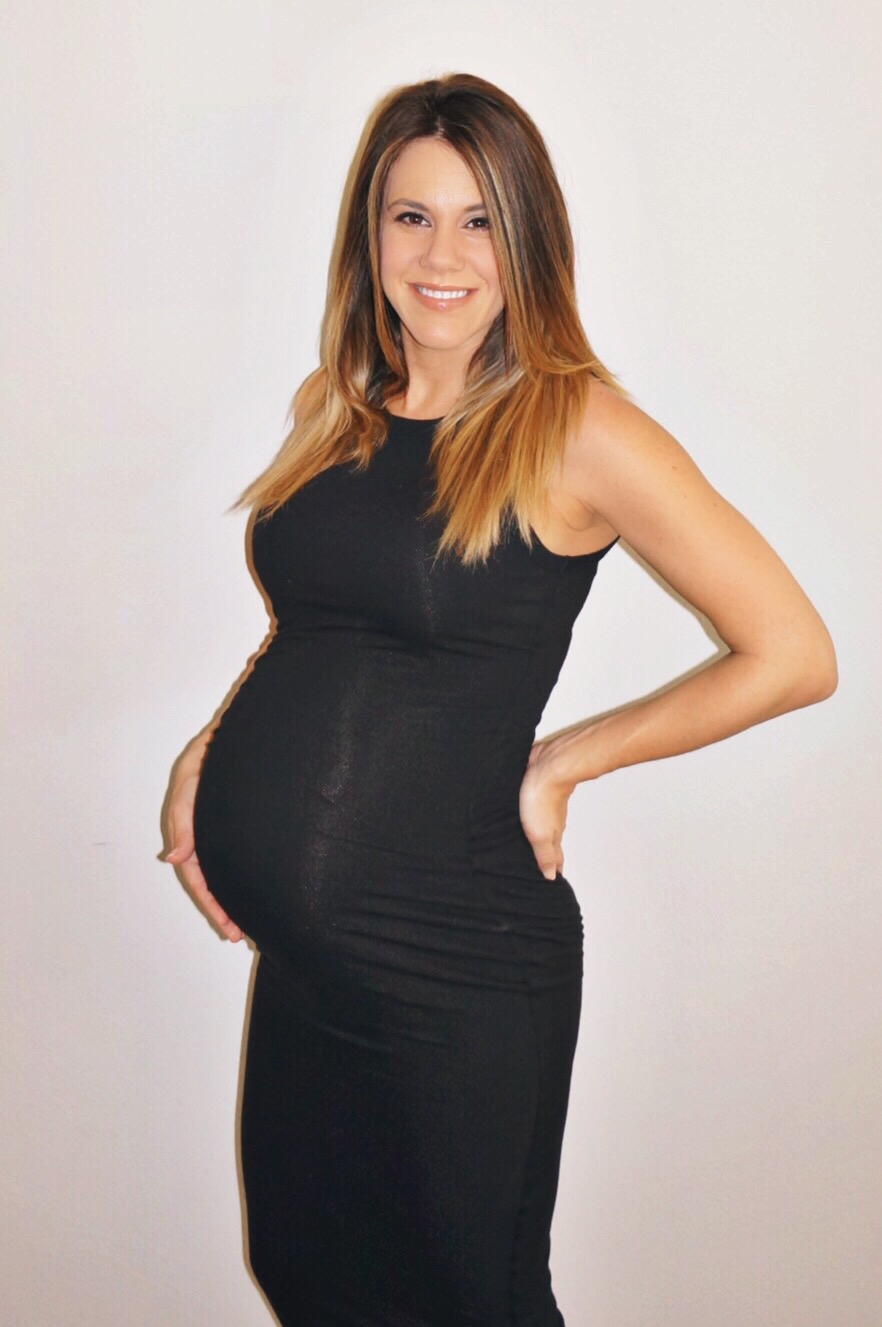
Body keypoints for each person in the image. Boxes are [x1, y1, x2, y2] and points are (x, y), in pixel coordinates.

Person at [162, 72, 837, 1327]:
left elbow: (794, 651)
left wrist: (569, 757)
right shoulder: (339, 412)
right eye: (411, 216)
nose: (442, 255)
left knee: (469, 1302)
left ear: (528, 239)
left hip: (456, 969)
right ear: (370, 235)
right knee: (309, 1277)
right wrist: (215, 747)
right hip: (311, 971)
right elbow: (318, 628)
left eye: (479, 220)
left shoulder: (578, 428)